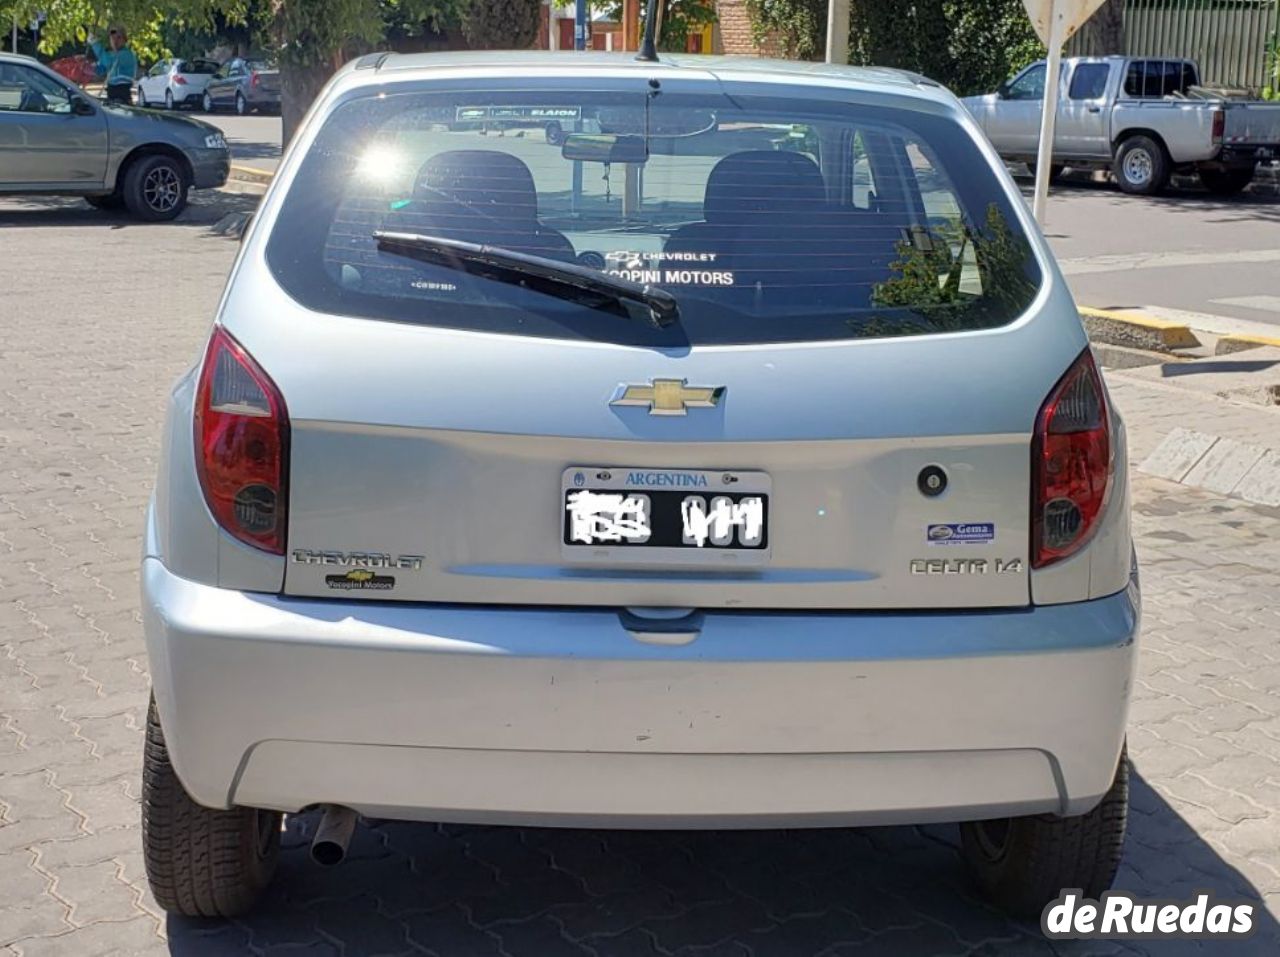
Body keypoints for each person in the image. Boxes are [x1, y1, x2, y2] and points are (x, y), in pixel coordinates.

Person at [88, 26, 137, 104]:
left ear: (124, 40)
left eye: (118, 37)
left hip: (122, 93)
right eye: (112, 38)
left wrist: (95, 44)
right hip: (112, 93)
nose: (115, 41)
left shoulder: (127, 54)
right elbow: (102, 69)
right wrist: (89, 66)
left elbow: (108, 61)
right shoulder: (112, 54)